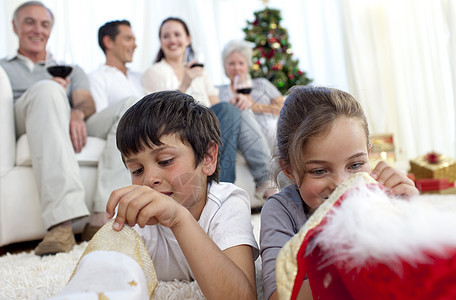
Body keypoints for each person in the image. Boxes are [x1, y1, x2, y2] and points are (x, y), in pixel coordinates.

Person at [260, 86, 419, 300]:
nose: (342, 183)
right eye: (319, 171)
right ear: (289, 171)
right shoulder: (282, 210)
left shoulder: (384, 198)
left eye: (355, 165)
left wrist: (413, 215)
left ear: (368, 155)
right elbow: (280, 295)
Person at [0, 1, 129, 255]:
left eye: (44, 24)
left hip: (71, 120)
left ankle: (101, 217)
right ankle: (61, 224)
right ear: (15, 26)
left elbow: (85, 101)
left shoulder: (72, 69)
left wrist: (76, 111)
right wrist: (54, 94)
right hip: (22, 117)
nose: (38, 29)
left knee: (132, 106)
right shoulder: (5, 68)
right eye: (30, 22)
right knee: (48, 90)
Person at [105, 90, 258, 299]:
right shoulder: (138, 217)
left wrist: (179, 219)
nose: (149, 180)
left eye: (165, 161)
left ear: (207, 157)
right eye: (137, 170)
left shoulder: (227, 203)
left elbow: (242, 297)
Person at [142, 17, 276, 200]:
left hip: (207, 124)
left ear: (187, 39)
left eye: (177, 34)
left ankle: (264, 182)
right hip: (180, 126)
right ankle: (223, 190)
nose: (172, 40)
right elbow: (158, 115)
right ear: (161, 42)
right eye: (166, 36)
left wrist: (236, 105)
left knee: (236, 109)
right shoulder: (155, 72)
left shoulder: (200, 72)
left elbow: (214, 105)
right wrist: (185, 83)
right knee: (230, 111)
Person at [218, 39, 285, 150]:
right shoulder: (218, 92)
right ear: (225, 67)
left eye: (241, 63)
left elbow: (284, 109)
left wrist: (255, 107)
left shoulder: (262, 84)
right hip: (243, 139)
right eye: (231, 63)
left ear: (247, 65)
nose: (237, 68)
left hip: (272, 133)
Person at [89, 20, 143, 112]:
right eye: (128, 39)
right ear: (108, 42)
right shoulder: (97, 78)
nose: (135, 45)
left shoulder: (139, 77)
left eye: (134, 40)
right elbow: (102, 120)